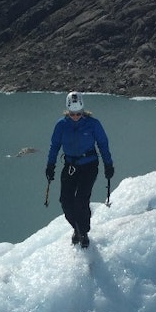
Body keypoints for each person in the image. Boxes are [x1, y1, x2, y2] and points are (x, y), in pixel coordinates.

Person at [46, 91, 114, 248]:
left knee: (81, 200)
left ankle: (83, 233)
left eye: (78, 113)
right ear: (67, 111)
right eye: (72, 114)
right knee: (65, 201)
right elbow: (54, 146)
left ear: (82, 110)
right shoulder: (61, 125)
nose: (75, 116)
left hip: (89, 165)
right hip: (70, 165)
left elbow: (103, 143)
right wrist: (50, 165)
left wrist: (108, 164)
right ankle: (77, 229)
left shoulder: (93, 124)